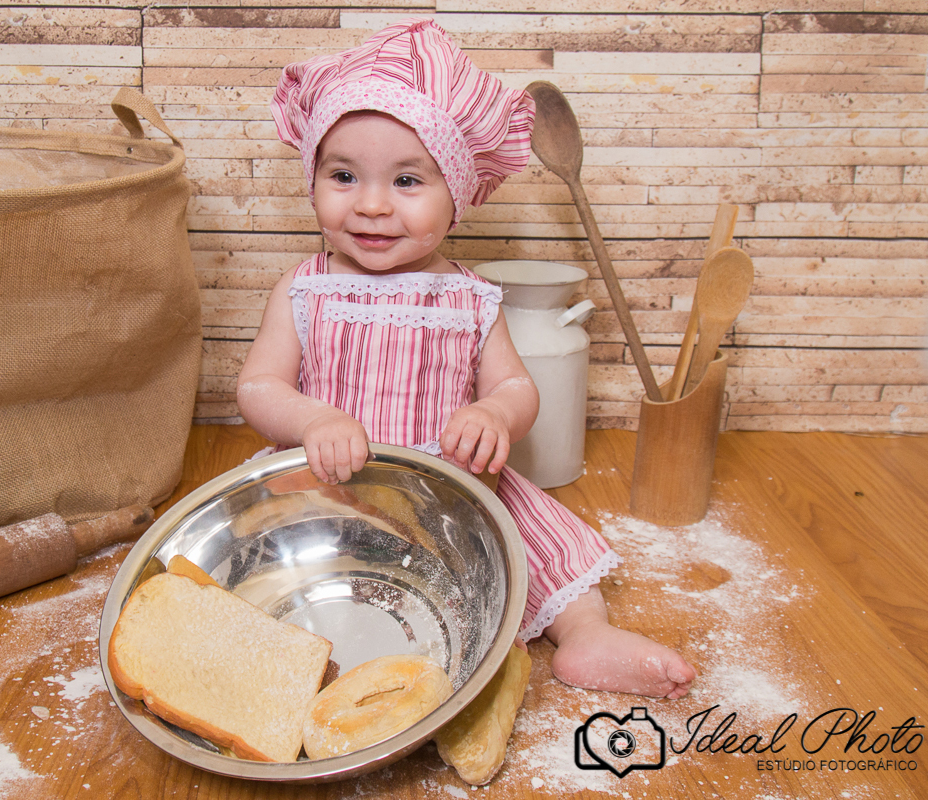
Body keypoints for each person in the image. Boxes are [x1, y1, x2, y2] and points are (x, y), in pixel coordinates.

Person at [236, 18, 695, 699]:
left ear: (458, 194)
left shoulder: (471, 296)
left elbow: (515, 384)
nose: (370, 204)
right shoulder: (304, 289)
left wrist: (494, 413)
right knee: (262, 562)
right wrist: (311, 420)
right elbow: (258, 386)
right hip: (326, 480)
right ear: (313, 177)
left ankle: (585, 635)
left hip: (448, 486)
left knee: (535, 547)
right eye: (343, 175)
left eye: (408, 181)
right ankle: (290, 643)